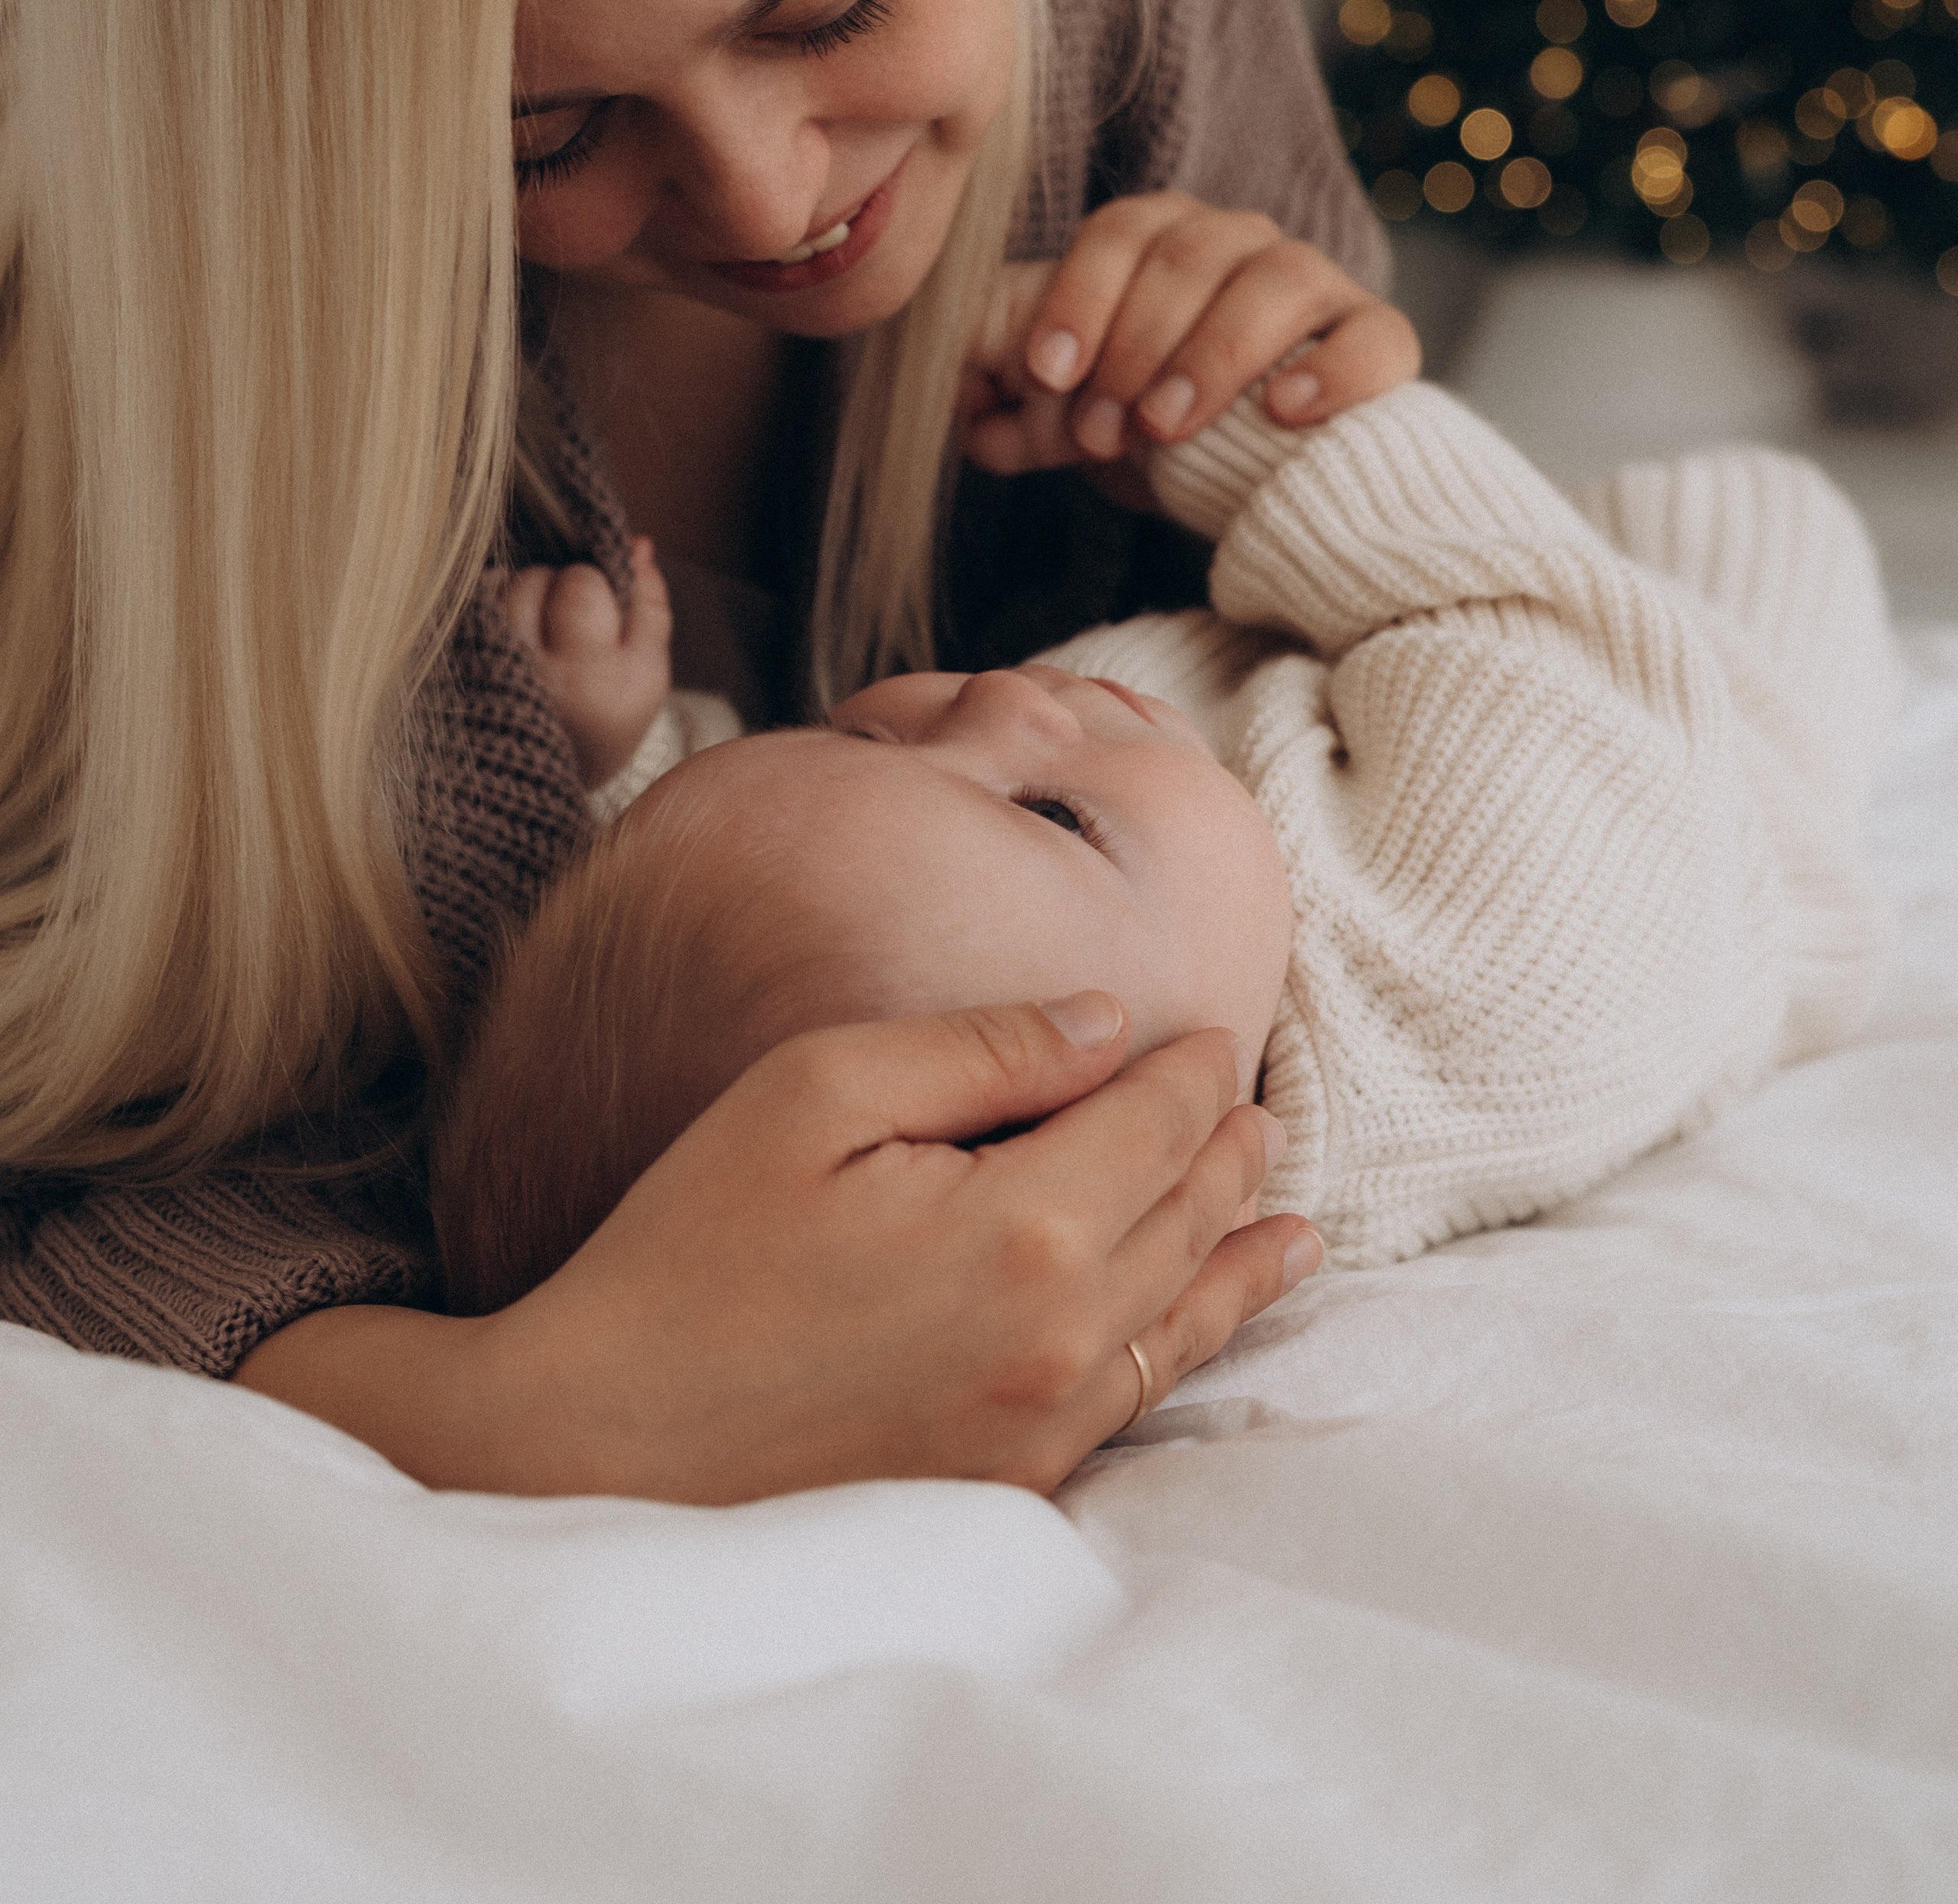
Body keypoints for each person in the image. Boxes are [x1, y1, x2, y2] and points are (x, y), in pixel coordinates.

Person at [0, 0, 1409, 1496]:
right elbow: (78, 1153)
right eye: (541, 128)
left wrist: (1344, 445)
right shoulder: (107, 285)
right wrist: (511, 1417)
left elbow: (1432, 775)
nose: (769, 198)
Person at [432, 384, 1897, 1406]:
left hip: (1367, 697)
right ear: (1139, 1141)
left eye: (866, 736)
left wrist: (613, 757)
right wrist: (1246, 422)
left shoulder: (1119, 932)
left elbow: (775, 885)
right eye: (1050, 815)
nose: (996, 696)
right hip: (1701, 691)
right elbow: (1536, 626)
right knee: (1739, 524)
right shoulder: (1469, 975)